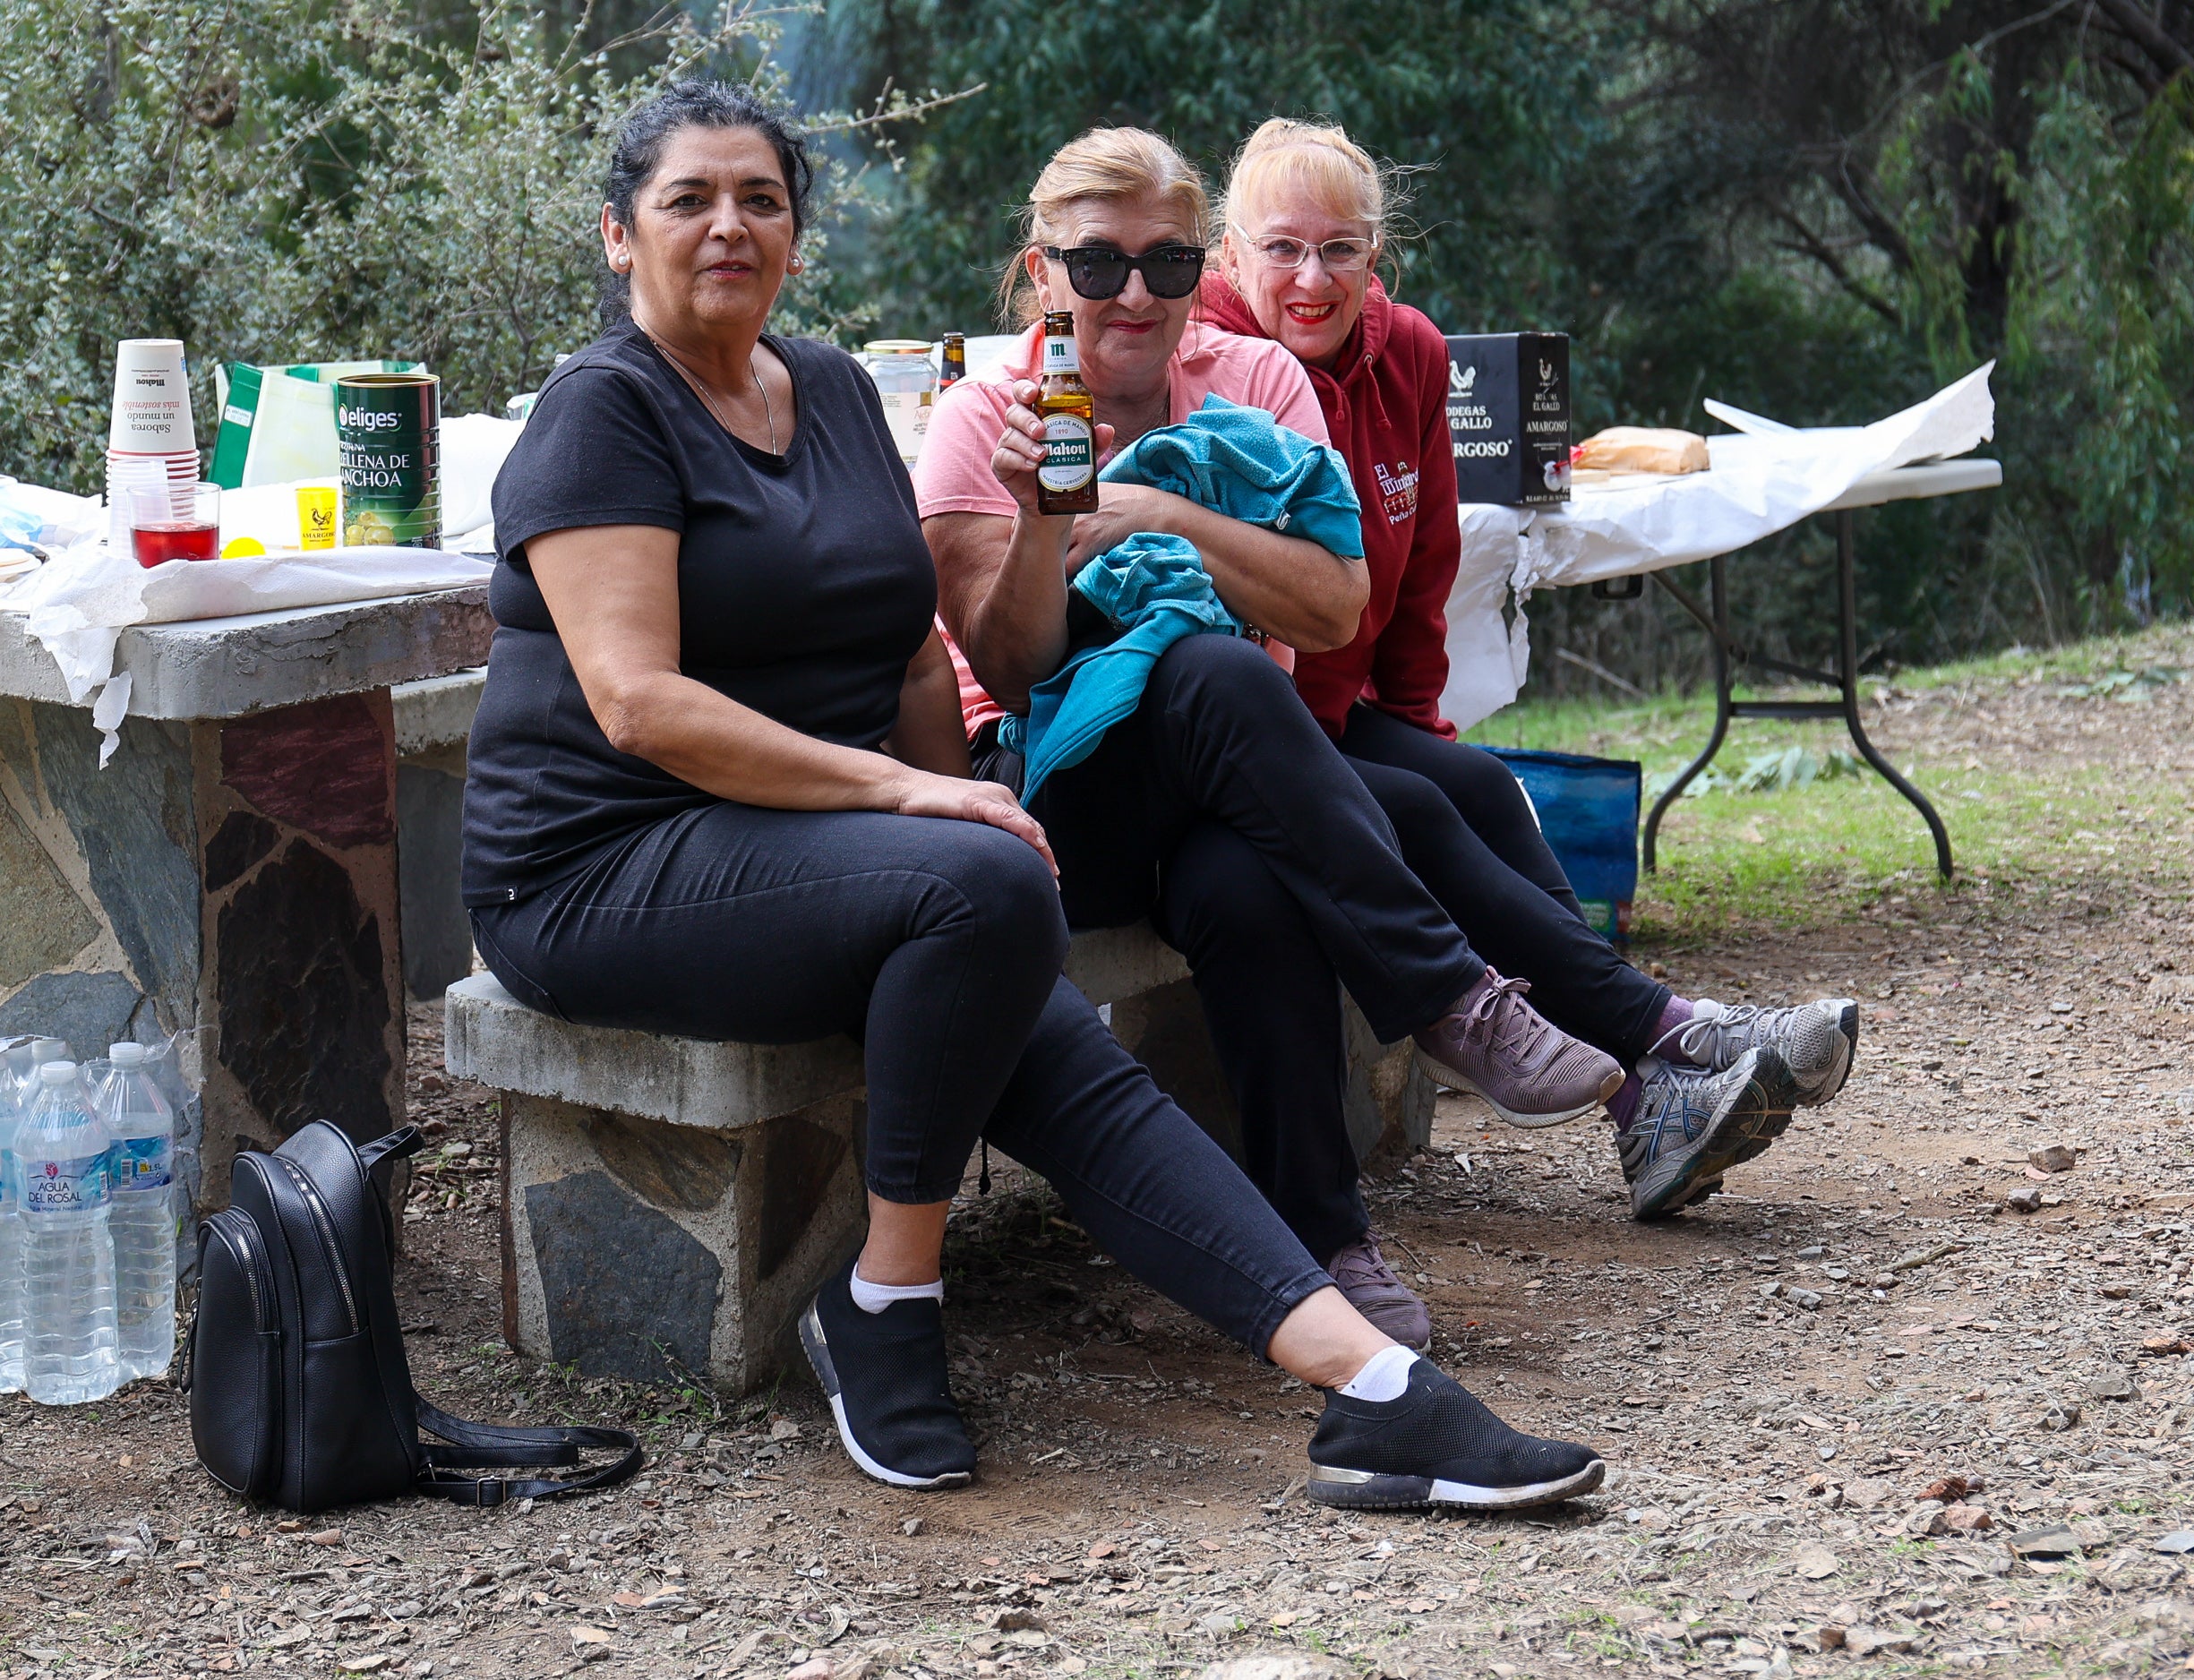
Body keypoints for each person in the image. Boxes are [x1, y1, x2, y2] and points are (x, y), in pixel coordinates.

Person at [463, 81, 1604, 1513]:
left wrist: (959, 797)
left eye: (760, 198)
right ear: (620, 237)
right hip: (596, 869)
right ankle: (891, 1293)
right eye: (688, 199)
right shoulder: (602, 415)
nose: (728, 226)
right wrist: (916, 807)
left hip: (802, 841)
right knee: (985, 888)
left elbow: (899, 648)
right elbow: (639, 704)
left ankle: (1375, 1391)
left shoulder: (819, 390)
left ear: (799, 240)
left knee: (1061, 1033)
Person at [918, 129, 1652, 1348]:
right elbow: (1006, 666)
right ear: (1040, 274)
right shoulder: (979, 419)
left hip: (1218, 786)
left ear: (1199, 262)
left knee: (1246, 875)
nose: (1135, 295)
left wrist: (1155, 510)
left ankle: (1322, 1249)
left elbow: (1332, 607)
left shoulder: (1253, 383)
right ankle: (1451, 996)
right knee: (1220, 673)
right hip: (1048, 797)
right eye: (1096, 268)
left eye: (1164, 264)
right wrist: (1048, 521)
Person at [1196, 117, 1859, 1242]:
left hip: (1338, 712)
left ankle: (1649, 1097)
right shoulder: (1211, 365)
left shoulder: (1407, 353)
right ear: (1228, 256)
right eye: (1282, 250)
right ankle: (1671, 1046)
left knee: (1477, 788)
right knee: (1411, 807)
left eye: (1341, 251)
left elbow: (1423, 574)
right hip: (1246, 727)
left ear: (1378, 257)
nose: (1312, 279)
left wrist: (1421, 732)